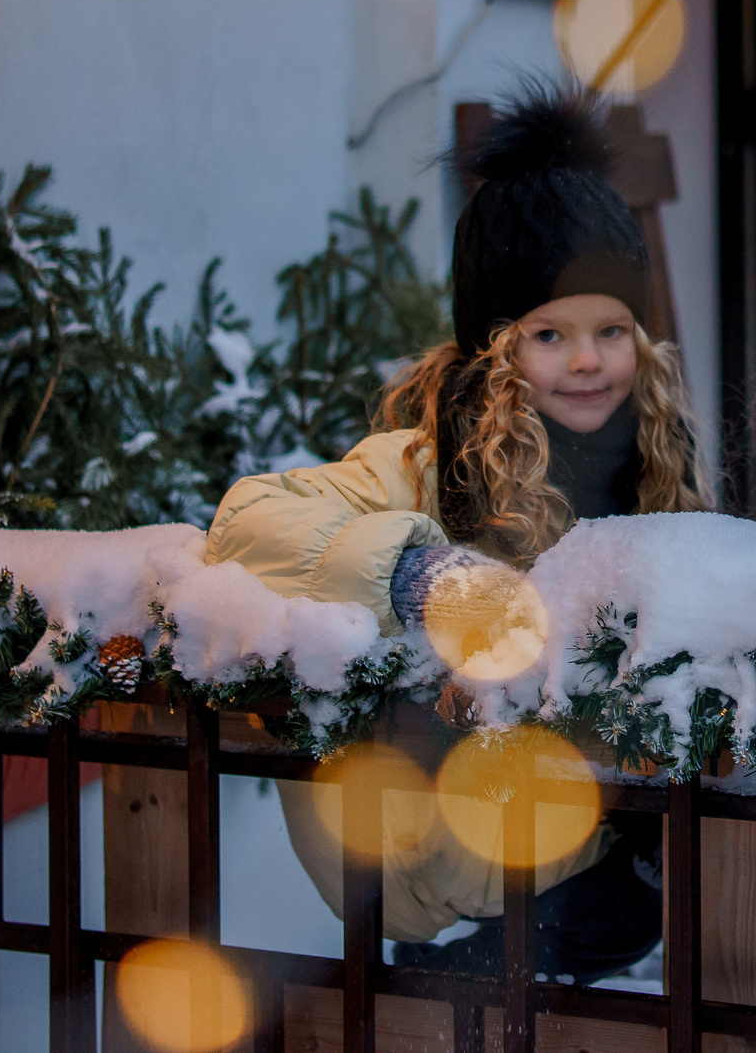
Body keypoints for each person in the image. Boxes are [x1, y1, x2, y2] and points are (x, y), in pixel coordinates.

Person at [205, 90, 708, 983]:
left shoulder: (656, 470)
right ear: (496, 348)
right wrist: (418, 574)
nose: (588, 360)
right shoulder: (423, 464)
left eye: (611, 331)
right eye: (550, 334)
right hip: (421, 840)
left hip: (575, 858)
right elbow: (250, 518)